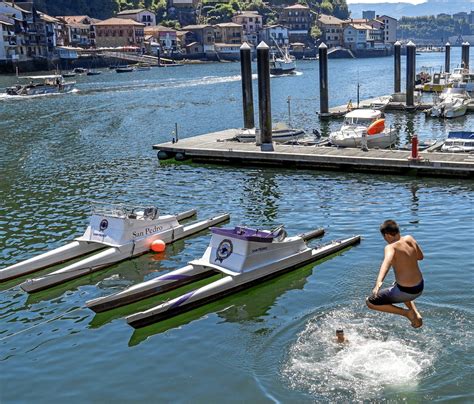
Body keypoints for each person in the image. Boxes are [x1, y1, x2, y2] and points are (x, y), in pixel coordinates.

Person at [366, 220, 424, 328]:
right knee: (397, 283)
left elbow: (386, 263)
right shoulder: (409, 238)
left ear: (387, 235)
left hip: (406, 292)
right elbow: (420, 257)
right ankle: (415, 314)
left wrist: (378, 283)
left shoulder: (390, 247)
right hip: (419, 286)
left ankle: (406, 313)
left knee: (370, 302)